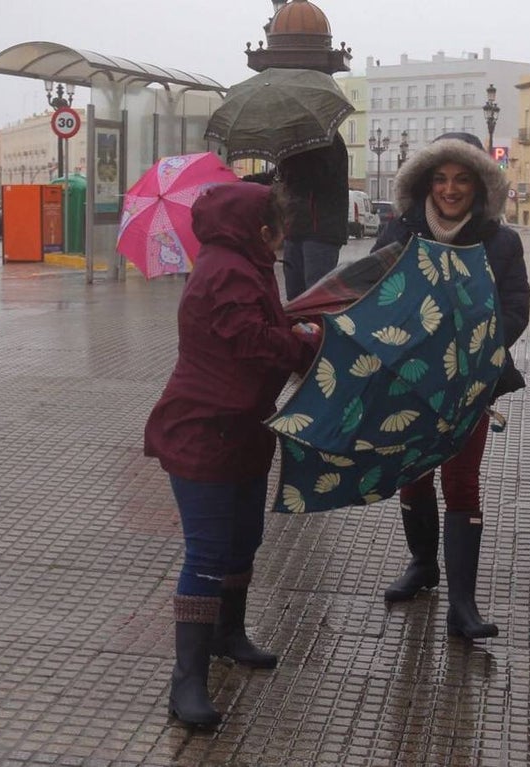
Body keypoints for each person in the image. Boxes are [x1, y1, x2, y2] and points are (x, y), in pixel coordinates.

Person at [144, 182, 320, 728]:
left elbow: (266, 326)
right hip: (203, 430)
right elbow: (252, 339)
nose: (283, 240)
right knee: (207, 553)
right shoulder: (226, 270)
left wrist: (299, 329)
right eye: (280, 230)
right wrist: (308, 342)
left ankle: (227, 634)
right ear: (261, 229)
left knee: (245, 539)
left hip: (242, 428)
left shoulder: (246, 262)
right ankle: (187, 681)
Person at [372, 132, 530, 640]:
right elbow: (372, 291)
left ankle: (462, 602)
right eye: (440, 178)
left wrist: (474, 346)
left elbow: (515, 307)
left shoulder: (501, 242)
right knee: (413, 475)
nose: (450, 189)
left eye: (462, 179)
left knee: (461, 481)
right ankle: (423, 567)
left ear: (480, 184)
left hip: (470, 380)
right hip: (410, 377)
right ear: (424, 183)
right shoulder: (399, 232)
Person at [277, 132, 349, 300]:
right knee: (294, 296)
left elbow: (317, 177)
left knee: (315, 297)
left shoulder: (328, 140)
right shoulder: (295, 142)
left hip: (321, 231)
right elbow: (281, 177)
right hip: (295, 228)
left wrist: (291, 161)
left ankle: (319, 326)